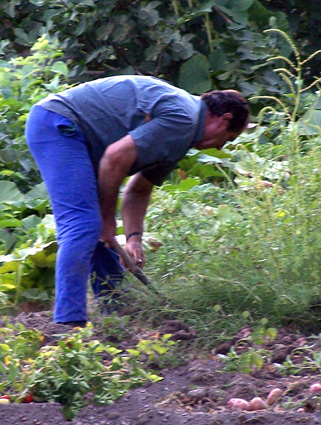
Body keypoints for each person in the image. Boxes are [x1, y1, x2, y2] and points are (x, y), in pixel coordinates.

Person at [25, 75, 249, 326]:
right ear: (224, 119)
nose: (219, 149)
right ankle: (68, 325)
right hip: (59, 124)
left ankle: (116, 311)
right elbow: (114, 158)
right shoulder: (183, 119)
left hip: (72, 134)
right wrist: (108, 219)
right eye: (227, 139)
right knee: (84, 223)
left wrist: (133, 239)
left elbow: (139, 190)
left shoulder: (183, 134)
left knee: (96, 227)